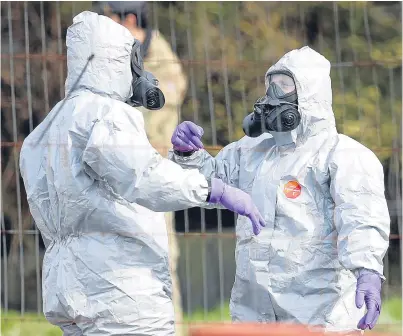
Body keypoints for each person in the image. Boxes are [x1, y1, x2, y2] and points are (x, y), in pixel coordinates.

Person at [19, 11, 265, 336]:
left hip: (70, 288)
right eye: (134, 60)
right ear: (115, 60)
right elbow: (145, 178)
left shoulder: (45, 130)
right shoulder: (106, 115)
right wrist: (212, 189)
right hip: (120, 288)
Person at [169, 46, 390, 334]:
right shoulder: (249, 151)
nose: (273, 94)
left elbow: (361, 219)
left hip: (321, 319)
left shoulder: (342, 155)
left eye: (285, 86)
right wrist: (187, 155)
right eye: (271, 84)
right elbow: (207, 186)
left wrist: (368, 270)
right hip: (253, 317)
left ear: (310, 95)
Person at [94, 2, 187, 329]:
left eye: (106, 18)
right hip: (114, 181)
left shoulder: (161, 66)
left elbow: (149, 139)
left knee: (157, 258)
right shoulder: (117, 59)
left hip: (147, 181)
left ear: (129, 20)